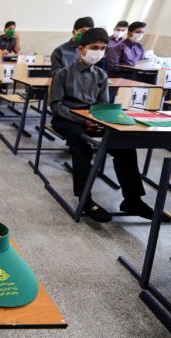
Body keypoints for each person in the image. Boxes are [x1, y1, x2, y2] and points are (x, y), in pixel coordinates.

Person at [50, 28, 155, 222]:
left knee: (125, 148)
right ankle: (85, 199)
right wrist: (83, 121)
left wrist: (100, 121)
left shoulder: (101, 75)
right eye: (94, 47)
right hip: (67, 118)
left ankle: (132, 200)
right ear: (81, 49)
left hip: (93, 118)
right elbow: (56, 106)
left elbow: (104, 107)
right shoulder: (63, 74)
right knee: (81, 145)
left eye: (102, 48)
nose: (98, 52)